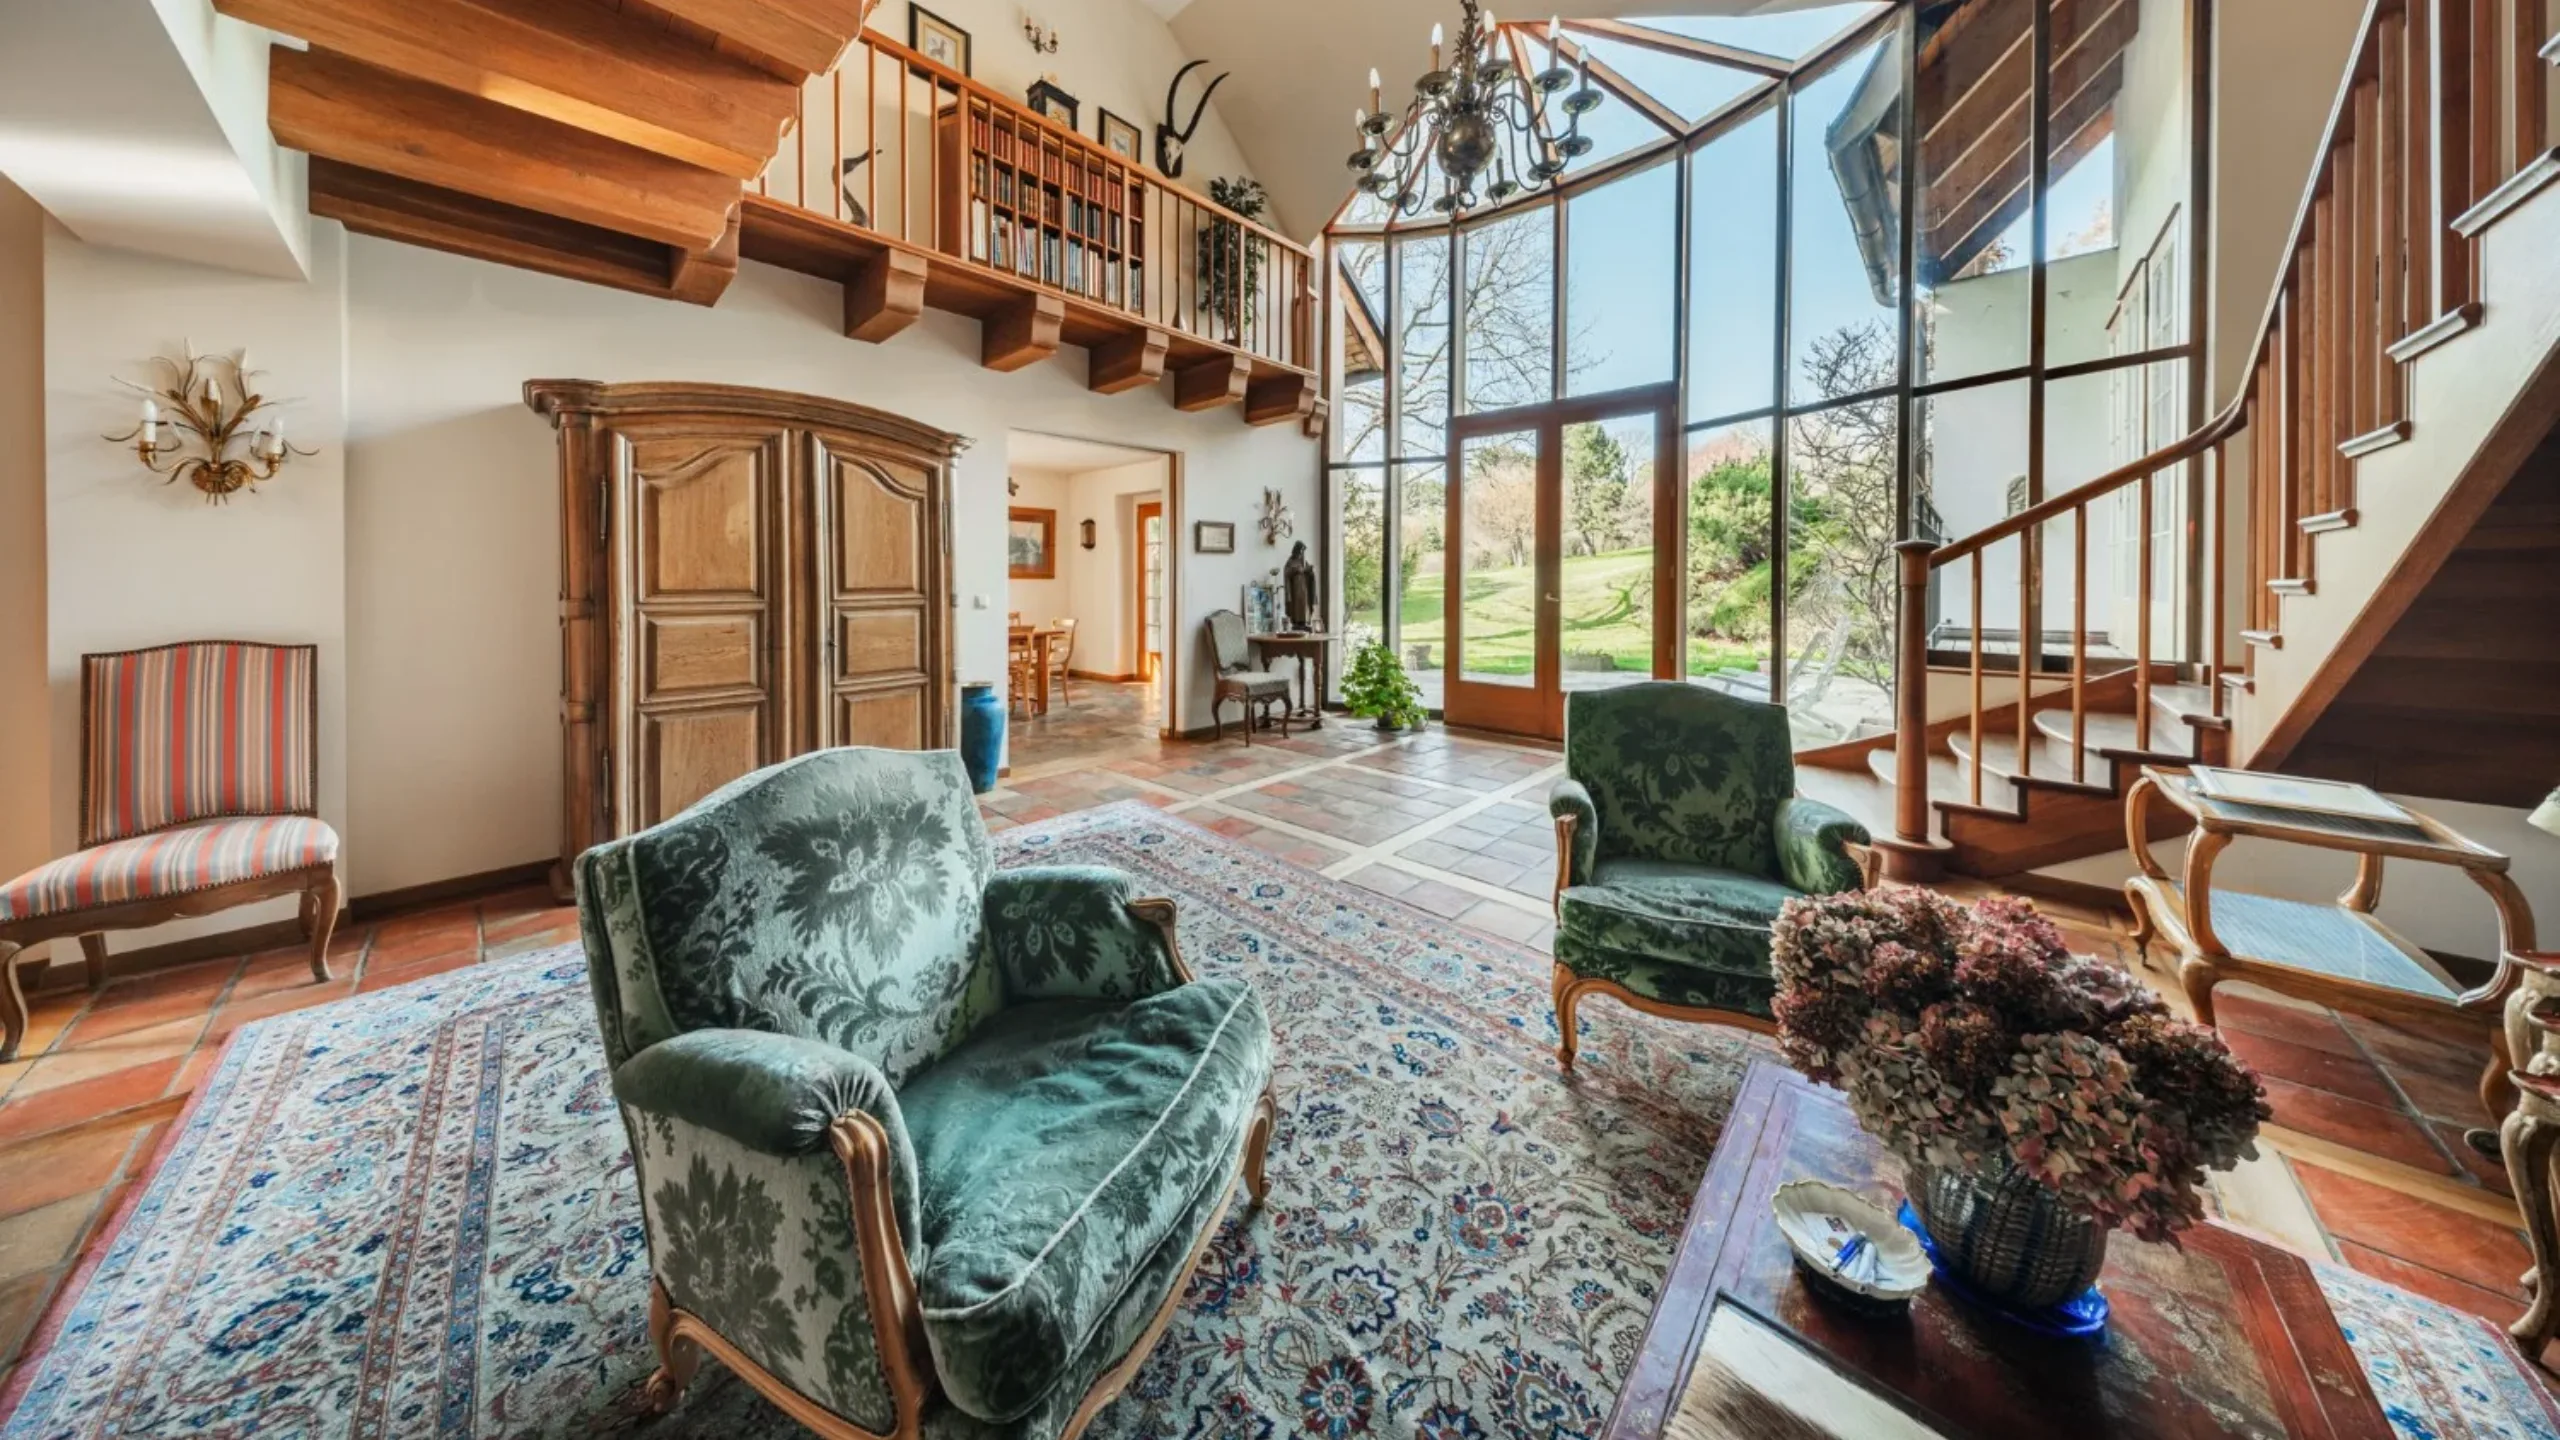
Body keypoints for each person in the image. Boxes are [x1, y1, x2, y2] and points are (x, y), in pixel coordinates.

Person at [1282, 540, 1318, 631]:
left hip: (1304, 586)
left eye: (1303, 551)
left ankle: (1304, 621)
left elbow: (1308, 571)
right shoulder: (1290, 562)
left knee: (1305, 604)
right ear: (1296, 550)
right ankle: (1297, 622)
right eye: (1300, 551)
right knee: (1297, 605)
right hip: (1295, 588)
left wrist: (1310, 572)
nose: (1301, 553)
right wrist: (1296, 570)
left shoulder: (1304, 561)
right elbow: (1287, 573)